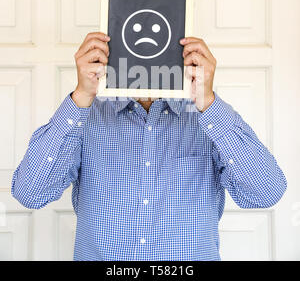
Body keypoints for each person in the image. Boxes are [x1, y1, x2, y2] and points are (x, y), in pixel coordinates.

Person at [11, 32, 287, 261]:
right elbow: (31, 193)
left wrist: (208, 101)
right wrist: (81, 95)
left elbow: (265, 193)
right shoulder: (85, 116)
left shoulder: (208, 119)